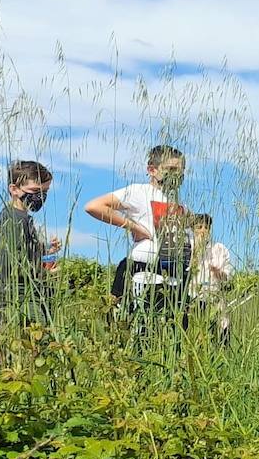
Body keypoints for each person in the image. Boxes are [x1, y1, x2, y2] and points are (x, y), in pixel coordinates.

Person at [84, 144, 191, 326]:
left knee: (175, 335)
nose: (177, 175)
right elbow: (94, 206)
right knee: (145, 329)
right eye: (171, 169)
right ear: (152, 169)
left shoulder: (180, 204)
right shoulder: (139, 192)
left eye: (180, 171)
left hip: (175, 277)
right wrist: (134, 227)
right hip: (145, 272)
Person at [0, 160, 60, 330]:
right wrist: (45, 271)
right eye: (35, 191)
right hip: (14, 302)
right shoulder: (13, 220)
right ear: (14, 189)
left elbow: (23, 254)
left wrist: (46, 253)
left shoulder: (22, 219)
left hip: (20, 299)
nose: (41, 197)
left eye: (45, 192)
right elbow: (11, 264)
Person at [188, 213, 235, 345]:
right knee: (197, 334)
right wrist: (197, 250)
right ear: (193, 229)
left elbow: (228, 276)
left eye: (206, 227)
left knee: (221, 329)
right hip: (194, 298)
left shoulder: (219, 248)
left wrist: (218, 272)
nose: (203, 231)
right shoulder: (187, 248)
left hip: (215, 297)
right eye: (199, 227)